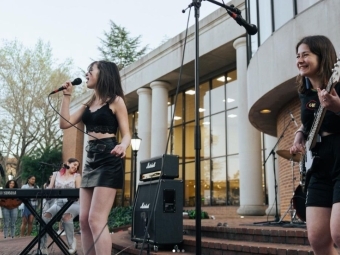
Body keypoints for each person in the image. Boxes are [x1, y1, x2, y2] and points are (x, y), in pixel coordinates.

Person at [59, 60, 131, 255]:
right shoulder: (88, 103)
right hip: (90, 160)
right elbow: (65, 124)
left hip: (109, 158)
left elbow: (126, 134)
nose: (87, 73)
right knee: (83, 219)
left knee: (96, 219)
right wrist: (67, 96)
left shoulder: (115, 101)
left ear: (104, 74)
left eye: (91, 70)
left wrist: (122, 145)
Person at [290, 35, 340, 255]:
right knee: (318, 238)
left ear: (322, 56)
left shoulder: (337, 82)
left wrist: (338, 107)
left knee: (339, 232)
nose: (300, 60)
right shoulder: (305, 90)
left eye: (305, 55)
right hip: (318, 163)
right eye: (298, 56)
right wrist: (301, 133)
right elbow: (310, 119)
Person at [39, 158, 81, 255]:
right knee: (45, 217)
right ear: (67, 163)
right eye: (74, 164)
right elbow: (50, 190)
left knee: (66, 217)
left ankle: (71, 244)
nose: (75, 167)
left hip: (73, 203)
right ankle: (43, 247)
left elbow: (78, 192)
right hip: (58, 203)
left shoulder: (77, 176)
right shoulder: (55, 174)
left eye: (77, 166)